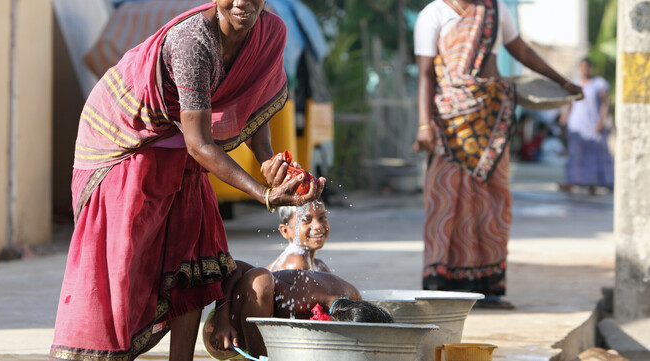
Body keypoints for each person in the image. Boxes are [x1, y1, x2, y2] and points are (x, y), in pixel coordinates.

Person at [49, 1, 325, 360]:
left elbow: (256, 107)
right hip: (129, 138)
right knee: (125, 269)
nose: (242, 2)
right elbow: (200, 144)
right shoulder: (193, 42)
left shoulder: (271, 32)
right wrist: (265, 194)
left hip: (182, 140)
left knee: (194, 259)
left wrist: (272, 165)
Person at [413, 0, 583, 309]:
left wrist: (562, 81)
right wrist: (424, 126)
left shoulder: (495, 9)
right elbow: (425, 74)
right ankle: (441, 286)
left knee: (493, 203)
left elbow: (522, 52)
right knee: (445, 200)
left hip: (492, 120)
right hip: (449, 123)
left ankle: (487, 288)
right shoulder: (433, 14)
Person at [202, 261, 394, 359]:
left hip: (272, 344)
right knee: (261, 280)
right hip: (226, 337)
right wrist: (222, 319)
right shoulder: (298, 297)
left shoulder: (353, 295)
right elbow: (235, 267)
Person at [558, 58, 613, 195]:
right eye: (582, 66)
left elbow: (605, 104)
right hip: (576, 125)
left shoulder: (598, 83)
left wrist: (601, 121)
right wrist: (563, 121)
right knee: (575, 154)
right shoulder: (574, 85)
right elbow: (569, 105)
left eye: (587, 66)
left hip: (593, 125)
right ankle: (572, 181)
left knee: (594, 154)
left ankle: (593, 183)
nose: (584, 69)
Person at [267, 201, 331, 272]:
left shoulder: (319, 265)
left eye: (322, 218)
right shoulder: (297, 263)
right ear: (285, 231)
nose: (318, 226)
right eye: (306, 220)